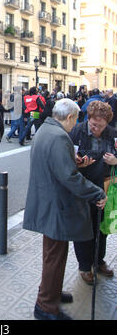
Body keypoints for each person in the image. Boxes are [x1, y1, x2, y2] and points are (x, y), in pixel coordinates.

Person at [23, 98, 107, 320]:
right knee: (55, 256)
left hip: (49, 202)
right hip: (54, 205)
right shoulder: (59, 137)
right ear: (70, 117)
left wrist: (73, 162)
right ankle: (45, 306)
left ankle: (51, 293)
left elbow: (58, 167)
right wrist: (97, 193)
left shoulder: (46, 130)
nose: (76, 124)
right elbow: (69, 178)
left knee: (53, 255)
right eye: (76, 119)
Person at [69, 100, 116, 283]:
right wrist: (78, 162)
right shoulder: (76, 131)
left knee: (101, 228)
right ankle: (84, 266)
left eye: (101, 125)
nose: (96, 128)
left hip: (104, 188)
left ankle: (99, 260)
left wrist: (115, 161)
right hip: (82, 188)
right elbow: (67, 160)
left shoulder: (113, 135)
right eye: (93, 124)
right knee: (83, 229)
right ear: (88, 119)